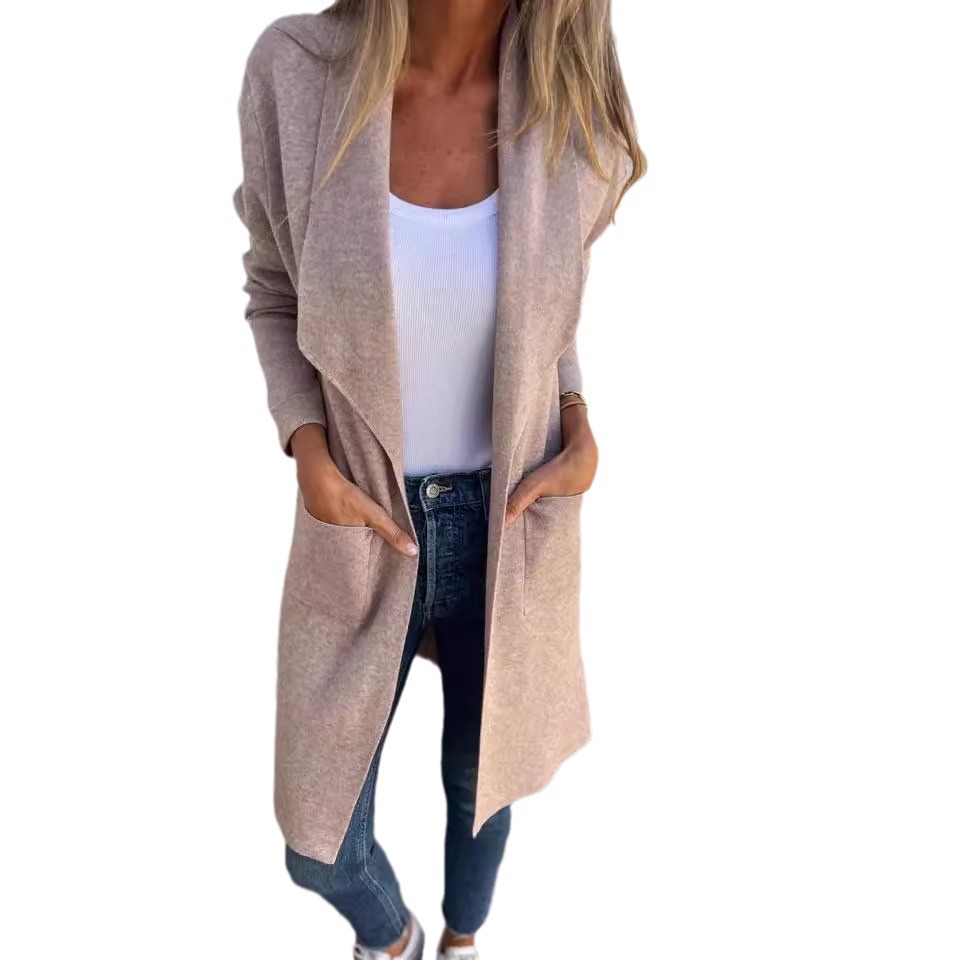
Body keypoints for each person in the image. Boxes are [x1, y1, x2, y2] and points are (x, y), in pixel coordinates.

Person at [232, 1, 645, 956]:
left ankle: (463, 941)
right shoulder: (296, 72)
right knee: (320, 846)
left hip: (513, 518)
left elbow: (551, 318)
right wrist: (307, 446)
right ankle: (395, 938)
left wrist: (577, 419)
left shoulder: (568, 106)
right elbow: (273, 288)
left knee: (478, 784)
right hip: (362, 524)